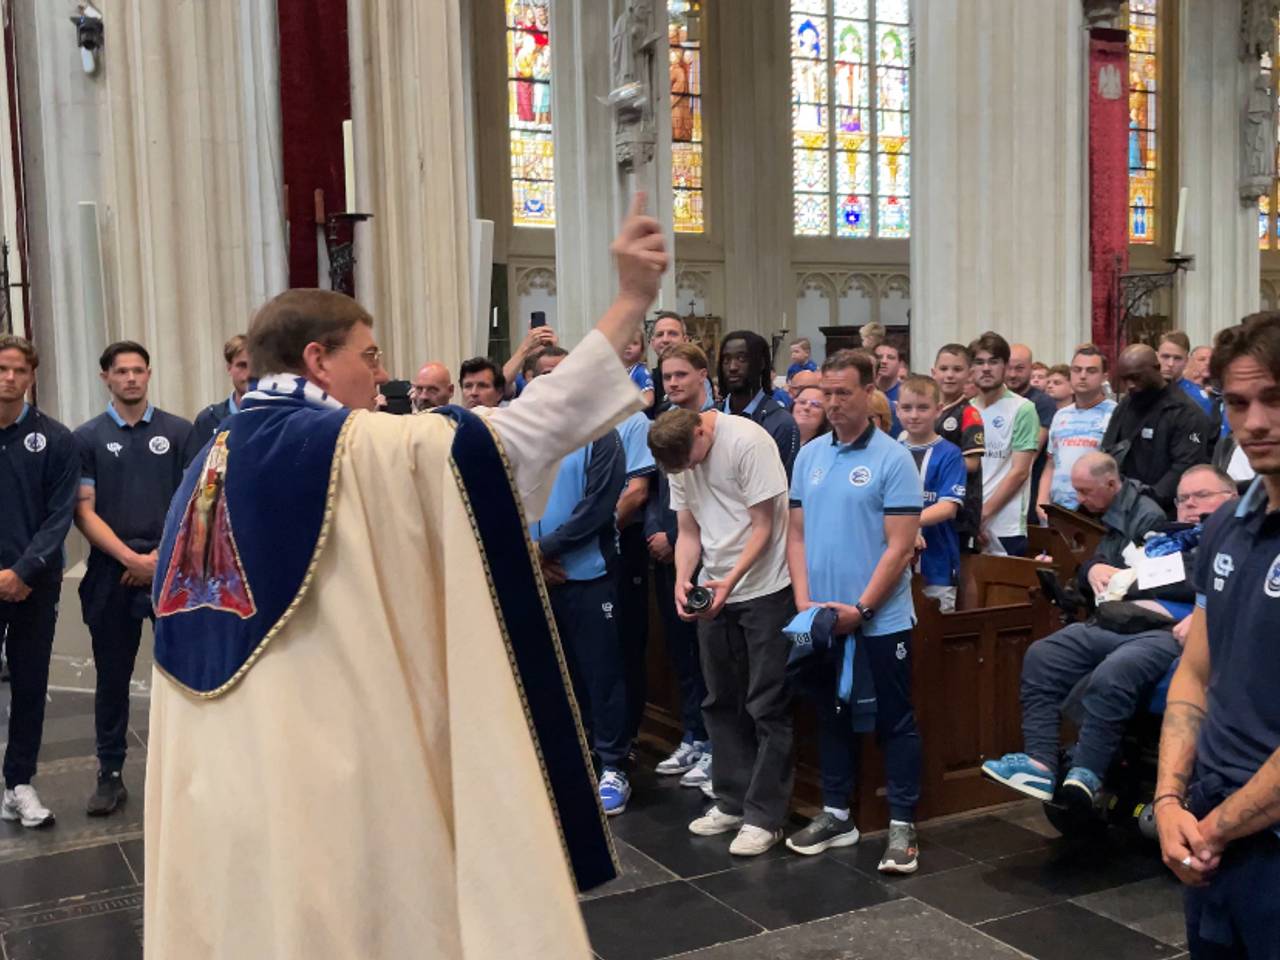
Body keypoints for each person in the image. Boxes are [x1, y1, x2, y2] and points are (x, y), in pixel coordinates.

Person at [143, 195, 670, 959]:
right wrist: (629, 302)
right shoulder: (345, 448)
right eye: (370, 356)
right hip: (327, 761)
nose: (382, 374)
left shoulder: (209, 460)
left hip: (223, 768)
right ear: (318, 360)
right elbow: (518, 434)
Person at [984, 464, 1233, 816]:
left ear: (1232, 498)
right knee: (1043, 655)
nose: (1190, 504)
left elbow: (1239, 594)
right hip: (1118, 620)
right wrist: (1094, 569)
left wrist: (1208, 614)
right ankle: (1039, 764)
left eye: (1202, 495)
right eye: (1183, 498)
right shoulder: (1158, 537)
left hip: (1169, 630)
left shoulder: (1236, 543)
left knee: (1116, 671)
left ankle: (1087, 774)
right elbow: (1102, 560)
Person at [1155, 313, 1280, 958]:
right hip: (1211, 826)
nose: (1255, 422)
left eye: (1274, 398)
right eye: (1237, 402)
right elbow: (1197, 671)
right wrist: (1168, 802)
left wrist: (1215, 830)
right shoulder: (1227, 526)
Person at [784, 350, 924, 873]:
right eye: (826, 393)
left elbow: (900, 547)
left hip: (880, 620)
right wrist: (804, 602)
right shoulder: (809, 456)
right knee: (830, 713)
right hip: (821, 616)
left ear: (869, 393)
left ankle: (903, 826)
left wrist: (862, 608)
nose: (833, 403)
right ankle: (837, 815)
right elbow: (796, 535)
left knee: (894, 719)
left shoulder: (893, 459)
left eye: (844, 392)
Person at [648, 405, 795, 857]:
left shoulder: (747, 442)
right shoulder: (677, 456)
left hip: (765, 586)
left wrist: (729, 581)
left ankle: (765, 817)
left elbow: (765, 526)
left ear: (700, 431)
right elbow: (688, 530)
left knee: (766, 702)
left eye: (690, 461)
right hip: (714, 587)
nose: (688, 470)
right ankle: (731, 800)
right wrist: (682, 579)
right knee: (720, 698)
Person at [73, 340, 200, 817]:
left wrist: (158, 559)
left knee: (185, 673)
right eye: (122, 371)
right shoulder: (86, 438)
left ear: (149, 374)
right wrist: (130, 558)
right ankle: (110, 774)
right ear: (105, 377)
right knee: (112, 678)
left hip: (172, 571)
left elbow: (196, 503)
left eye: (139, 370)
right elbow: (83, 510)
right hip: (112, 572)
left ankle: (191, 772)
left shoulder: (180, 431)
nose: (131, 378)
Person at [527, 347, 632, 816]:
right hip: (538, 577)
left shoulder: (600, 435)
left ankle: (614, 765)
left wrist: (543, 550)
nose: (552, 381)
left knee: (601, 674)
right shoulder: (523, 438)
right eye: (544, 374)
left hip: (587, 575)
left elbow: (598, 507)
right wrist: (529, 555)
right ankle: (572, 758)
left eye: (560, 373)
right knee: (552, 675)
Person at [0, 336, 77, 828]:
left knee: (29, 686)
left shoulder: (56, 439)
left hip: (34, 584)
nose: (9, 378)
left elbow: (59, 514)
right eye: (2, 369)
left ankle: (18, 784)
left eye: (19, 371)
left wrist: (23, 571)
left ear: (32, 377)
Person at [644, 344, 711, 785]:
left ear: (702, 375)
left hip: (706, 554)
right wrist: (656, 530)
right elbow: (656, 488)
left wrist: (676, 538)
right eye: (667, 377)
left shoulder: (715, 425)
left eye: (681, 375)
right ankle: (693, 735)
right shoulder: (663, 425)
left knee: (711, 660)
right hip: (668, 554)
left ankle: (715, 745)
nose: (673, 384)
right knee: (682, 653)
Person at [1102, 343, 1210, 514]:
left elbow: (1185, 467)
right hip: (1121, 506)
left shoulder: (1185, 412)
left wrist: (1145, 500)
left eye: (1136, 377)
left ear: (1156, 369)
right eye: (1125, 379)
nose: (1130, 385)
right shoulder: (1126, 405)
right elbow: (1108, 450)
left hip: (1164, 510)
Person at [898, 375, 966, 612]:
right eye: (907, 408)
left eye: (923, 408)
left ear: (938, 410)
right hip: (894, 565)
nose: (914, 415)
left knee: (937, 626)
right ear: (897, 410)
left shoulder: (950, 454)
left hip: (938, 563)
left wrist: (906, 525)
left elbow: (948, 507)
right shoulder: (891, 452)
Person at [969, 332, 1039, 556]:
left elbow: (1020, 472)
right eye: (979, 362)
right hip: (969, 522)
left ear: (1006, 366)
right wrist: (970, 518)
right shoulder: (966, 409)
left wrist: (983, 515)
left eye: (993, 362)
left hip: (1006, 526)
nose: (986, 368)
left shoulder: (1023, 408)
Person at [1070, 452, 1169, 601]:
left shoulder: (1148, 517)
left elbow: (1139, 580)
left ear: (1111, 485)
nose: (1080, 499)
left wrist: (1091, 569)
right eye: (1076, 491)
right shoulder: (1085, 511)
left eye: (1085, 491)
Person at [1038, 344, 1117, 513]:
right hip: (1057, 509)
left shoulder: (1115, 414)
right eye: (1077, 370)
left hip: (1094, 511)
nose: (1082, 376)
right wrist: (1041, 500)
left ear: (1104, 376)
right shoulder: (1060, 415)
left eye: (1091, 371)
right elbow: (1051, 463)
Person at [717, 330, 800, 478]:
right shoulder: (711, 416)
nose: (732, 367)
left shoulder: (780, 423)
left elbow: (782, 483)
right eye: (726, 360)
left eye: (742, 359)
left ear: (761, 363)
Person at [932, 344, 986, 554]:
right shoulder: (930, 411)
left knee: (959, 564)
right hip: (932, 501)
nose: (949, 375)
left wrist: (934, 462)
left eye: (957, 369)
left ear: (970, 375)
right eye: (944, 369)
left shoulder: (969, 413)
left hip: (961, 509)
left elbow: (972, 464)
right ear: (933, 372)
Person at [1007, 344, 1056, 528]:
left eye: (1019, 368)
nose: (1012, 374)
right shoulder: (997, 401)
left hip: (1026, 490)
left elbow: (1029, 456)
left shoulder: (1042, 403)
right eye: (1009, 368)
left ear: (1030, 369)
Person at [193, 334, 251, 439]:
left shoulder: (275, 418)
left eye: (255, 366)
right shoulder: (209, 420)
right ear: (229, 368)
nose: (249, 374)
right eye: (242, 365)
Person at [1159, 330, 1214, 417]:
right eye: (1165, 356)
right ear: (1157, 356)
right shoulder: (1144, 392)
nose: (1170, 364)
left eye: (1177, 358)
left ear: (1186, 361)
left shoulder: (1197, 398)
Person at [502, 324, 557, 399]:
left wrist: (554, 351)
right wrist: (525, 347)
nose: (539, 343)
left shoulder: (560, 377)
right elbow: (500, 384)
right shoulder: (521, 381)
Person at [873, 341, 904, 436]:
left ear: (900, 364)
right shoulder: (863, 393)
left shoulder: (906, 393)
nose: (884, 361)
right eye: (879, 357)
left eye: (890, 357)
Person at [622, 330, 655, 408]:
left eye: (634, 343)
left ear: (642, 349)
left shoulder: (641, 372)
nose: (628, 346)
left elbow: (649, 400)